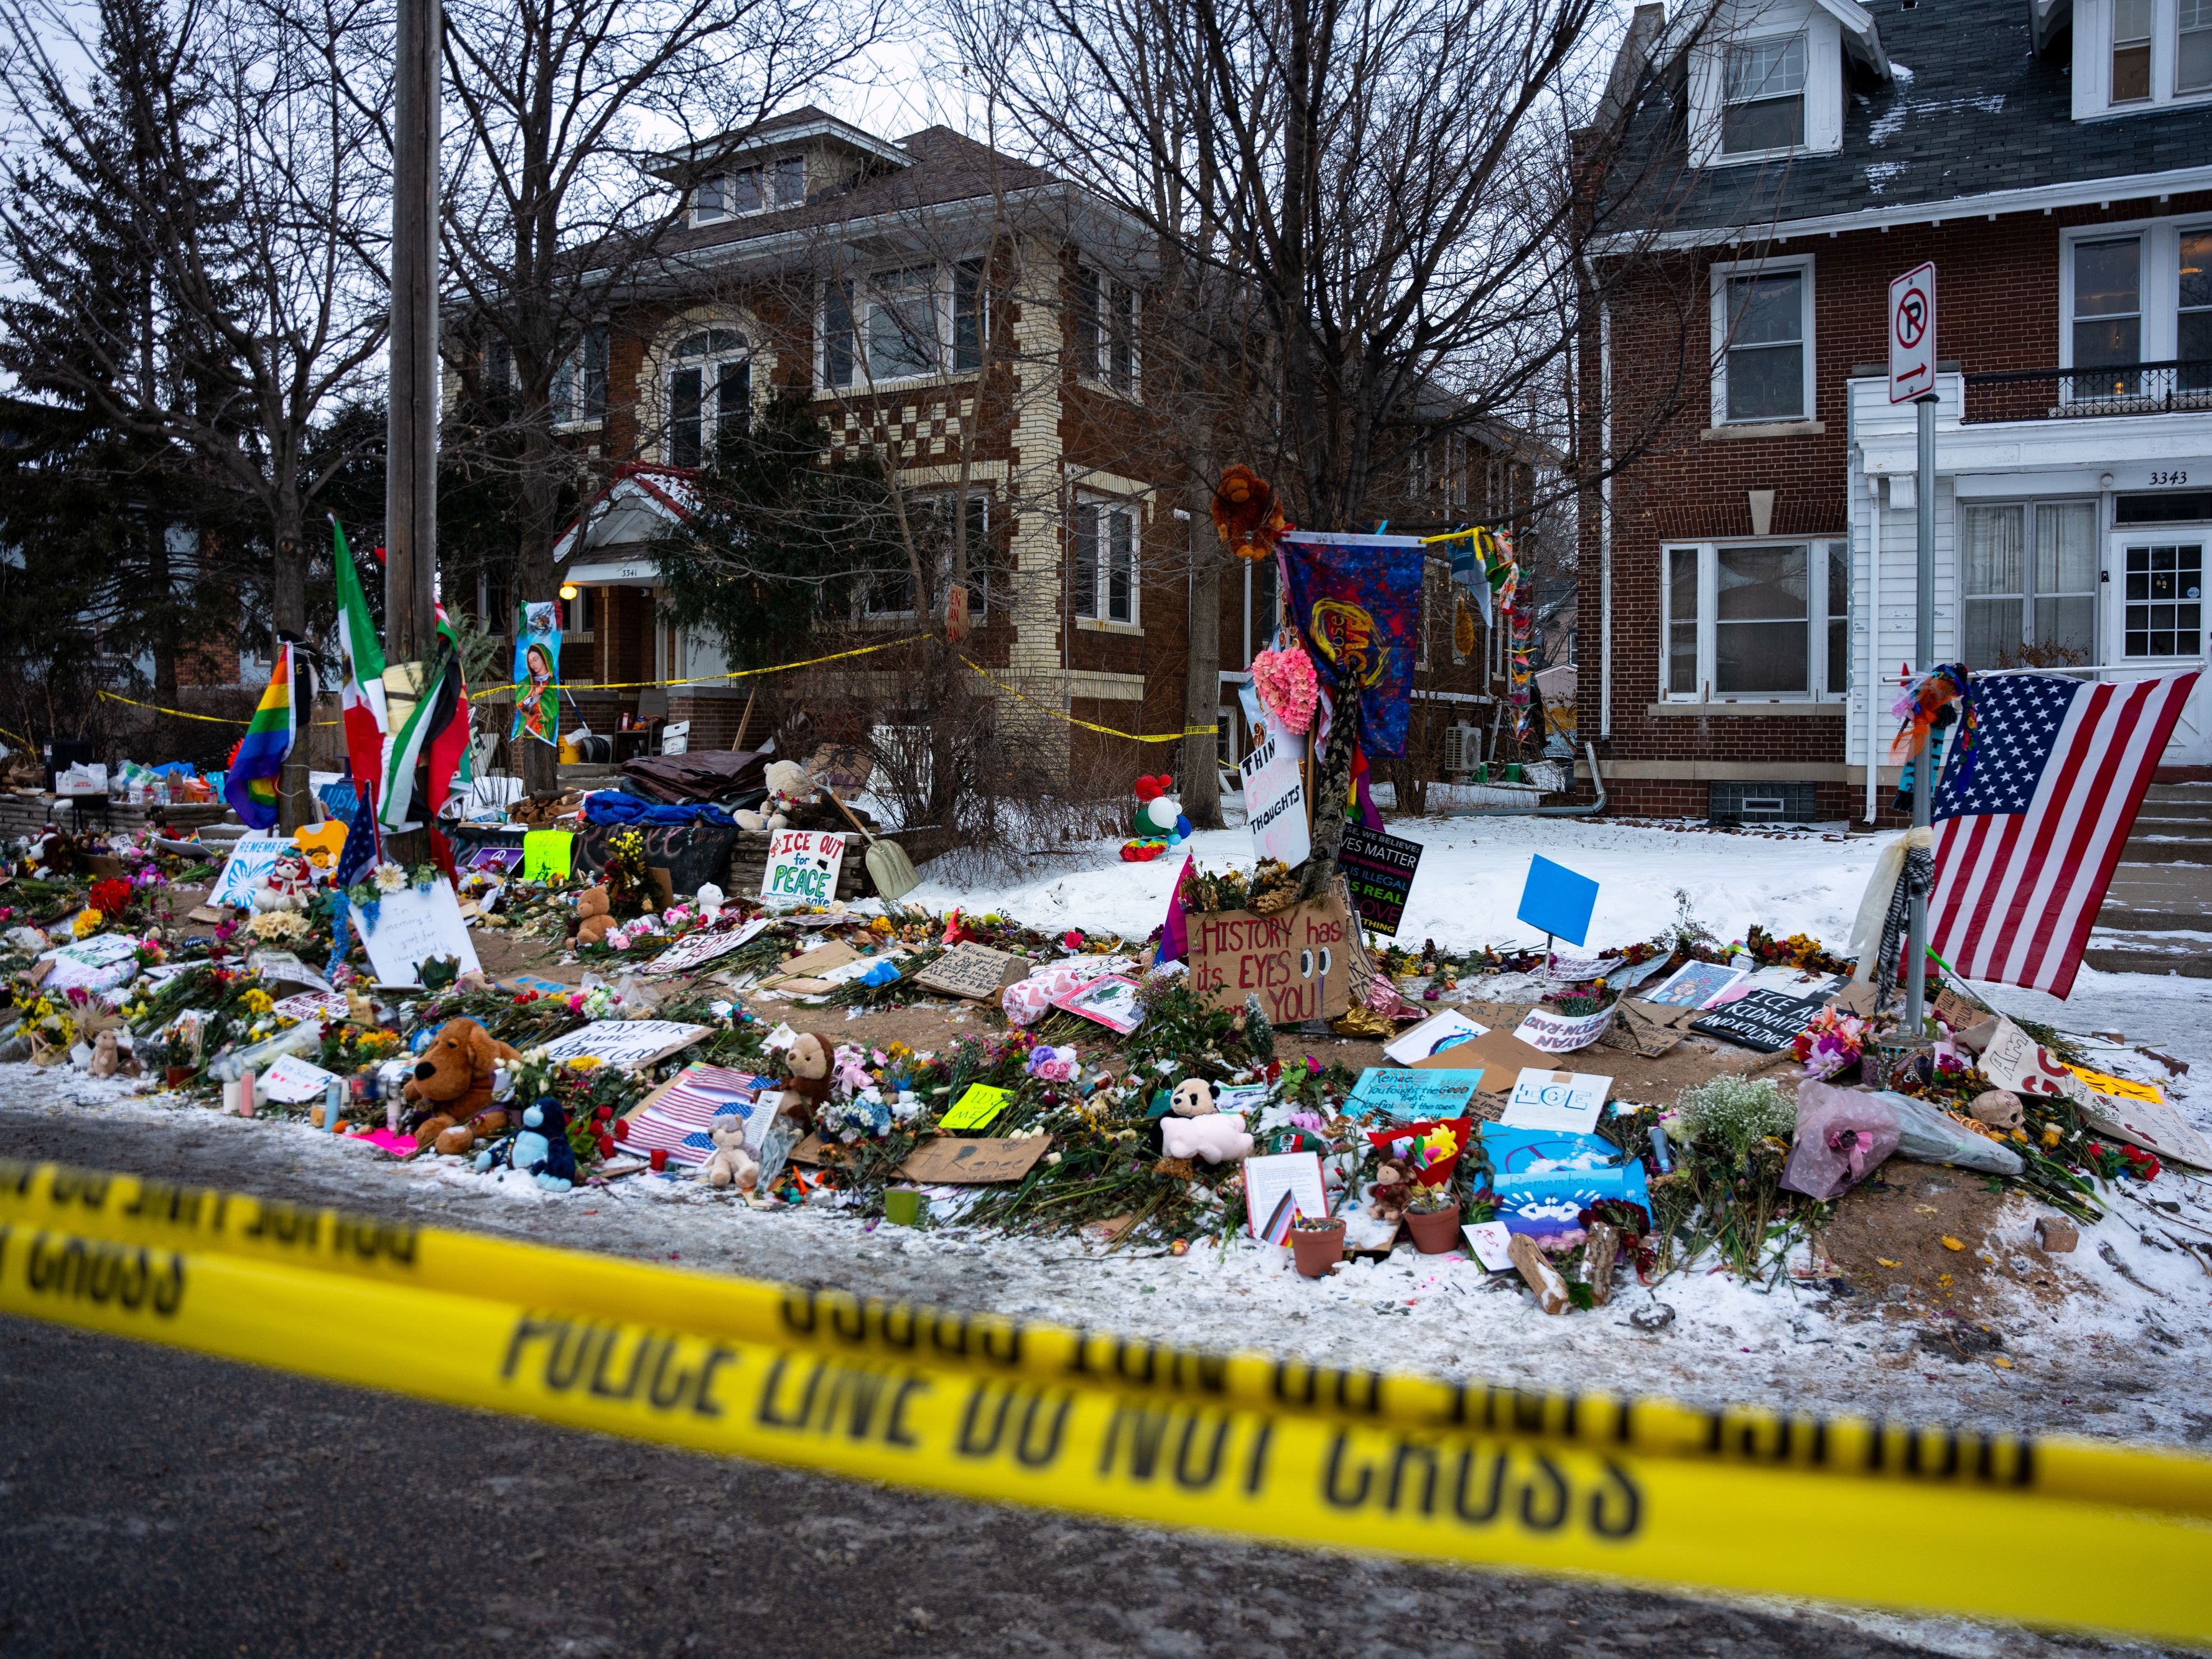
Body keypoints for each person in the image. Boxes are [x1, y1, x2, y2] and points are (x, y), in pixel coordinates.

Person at [515, 640, 555, 744]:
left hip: (544, 731)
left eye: (536, 660)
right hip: (528, 729)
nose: (533, 664)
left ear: (544, 658)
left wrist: (539, 696)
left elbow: (551, 706)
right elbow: (521, 702)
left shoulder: (552, 682)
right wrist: (531, 698)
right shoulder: (525, 683)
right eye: (530, 662)